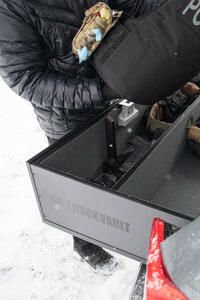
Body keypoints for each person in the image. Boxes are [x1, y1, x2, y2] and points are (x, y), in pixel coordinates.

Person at [0, 0, 160, 272]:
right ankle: (86, 246)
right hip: (67, 117)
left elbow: (132, 4)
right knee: (80, 188)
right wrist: (99, 92)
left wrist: (182, 8)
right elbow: (27, 79)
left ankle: (125, 228)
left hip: (112, 88)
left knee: (120, 162)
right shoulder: (11, 8)